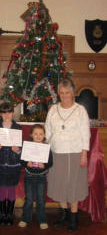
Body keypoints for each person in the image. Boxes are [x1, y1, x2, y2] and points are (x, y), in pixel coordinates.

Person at [45, 77, 90, 232]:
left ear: (72, 93)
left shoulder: (80, 110)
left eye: (67, 92)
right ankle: (64, 215)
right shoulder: (53, 109)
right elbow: (48, 131)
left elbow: (86, 133)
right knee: (60, 185)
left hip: (75, 153)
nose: (64, 96)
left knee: (74, 185)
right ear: (58, 93)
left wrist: (84, 153)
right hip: (57, 153)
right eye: (61, 93)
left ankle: (73, 217)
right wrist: (46, 150)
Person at [0, 102, 22, 226]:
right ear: (0, 114)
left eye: (9, 112)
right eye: (4, 112)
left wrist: (18, 150)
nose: (7, 115)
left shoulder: (18, 128)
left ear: (13, 113)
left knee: (12, 189)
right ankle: (3, 214)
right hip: (0, 164)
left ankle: (9, 214)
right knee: (3, 188)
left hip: (14, 165)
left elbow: (21, 147)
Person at [18, 124, 53, 230]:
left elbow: (50, 162)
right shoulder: (27, 146)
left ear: (44, 135)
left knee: (41, 199)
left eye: (41, 134)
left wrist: (45, 165)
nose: (38, 136)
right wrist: (26, 163)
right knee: (29, 199)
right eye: (36, 134)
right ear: (31, 135)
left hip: (41, 177)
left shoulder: (47, 148)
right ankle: (25, 219)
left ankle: (42, 220)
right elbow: (21, 160)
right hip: (29, 176)